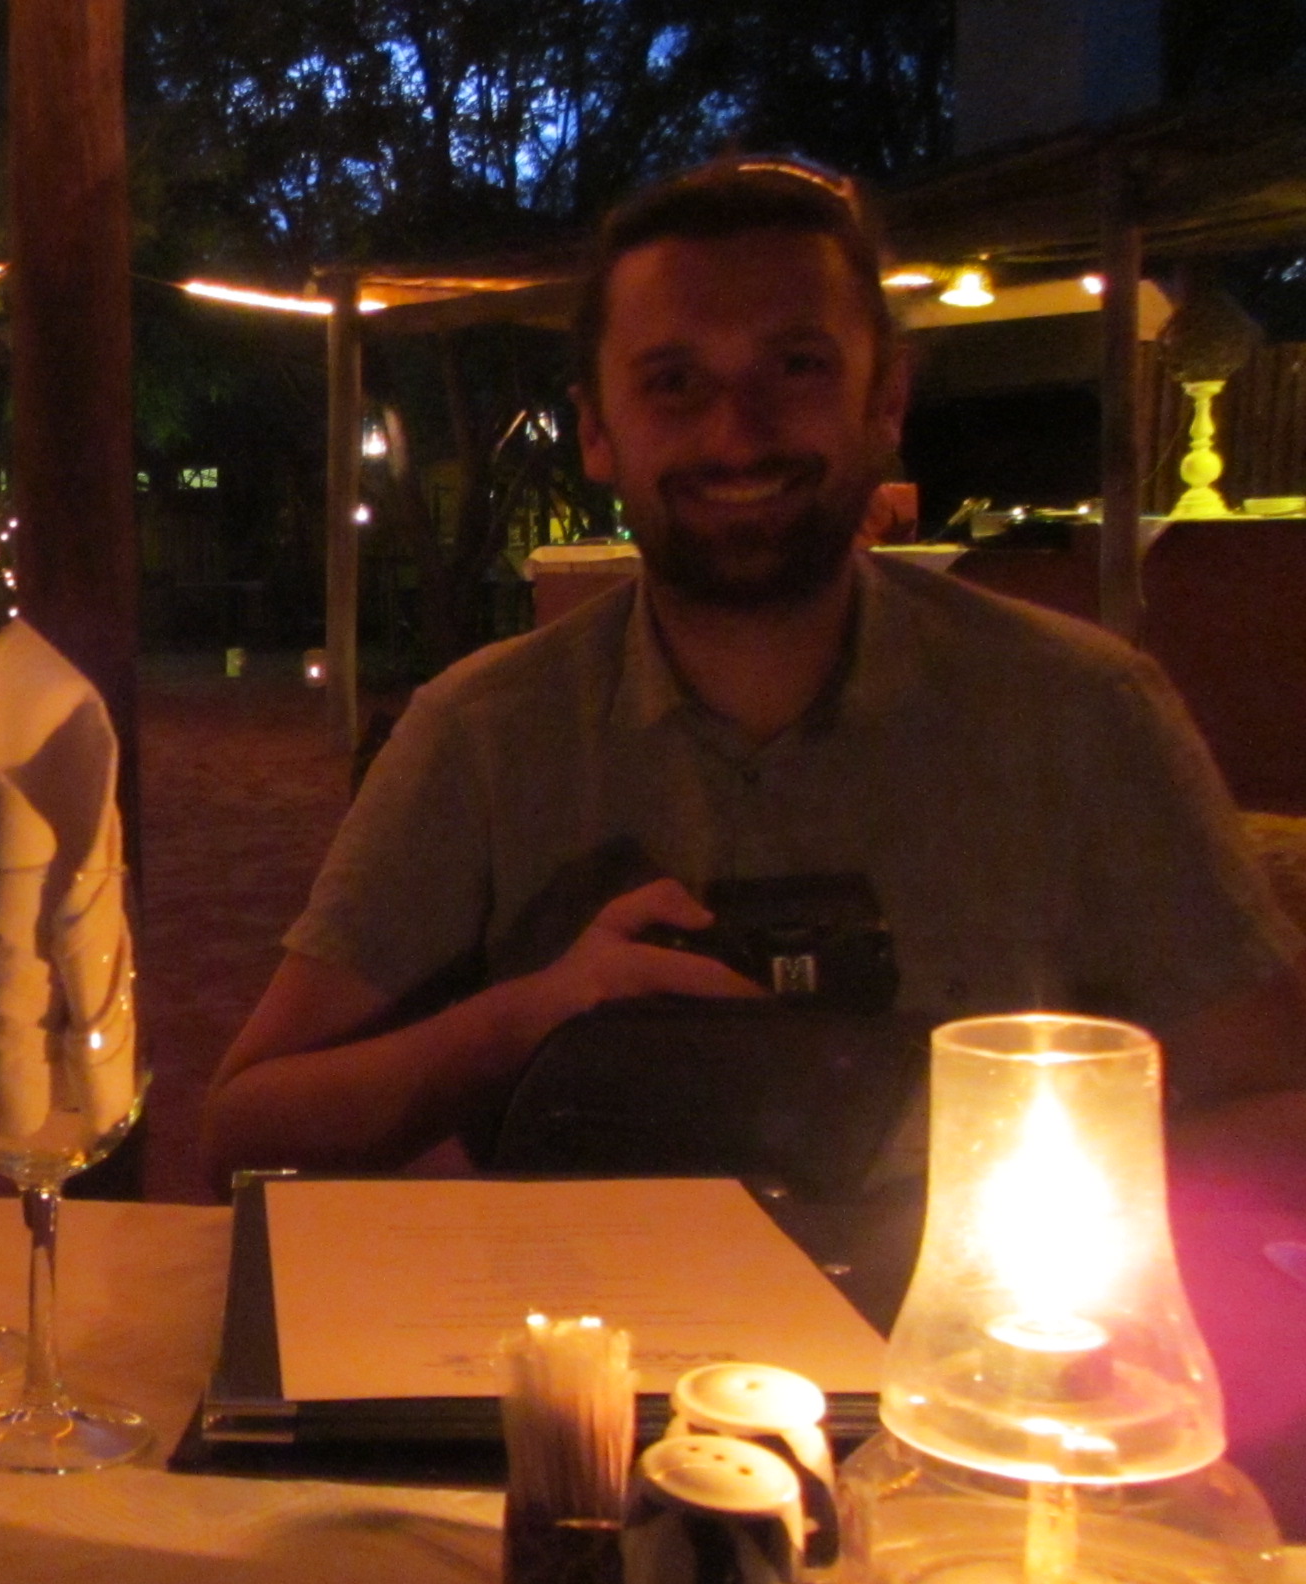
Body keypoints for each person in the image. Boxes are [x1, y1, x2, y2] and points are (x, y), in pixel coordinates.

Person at [203, 157, 1306, 1183]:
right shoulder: (483, 733)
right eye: (674, 380)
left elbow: (1277, 1103)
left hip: (953, 1324)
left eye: (796, 367)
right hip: (582, 1327)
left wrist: (1026, 1196)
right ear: (598, 432)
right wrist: (534, 1013)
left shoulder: (1080, 712)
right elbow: (244, 1132)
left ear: (885, 401)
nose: (737, 434)